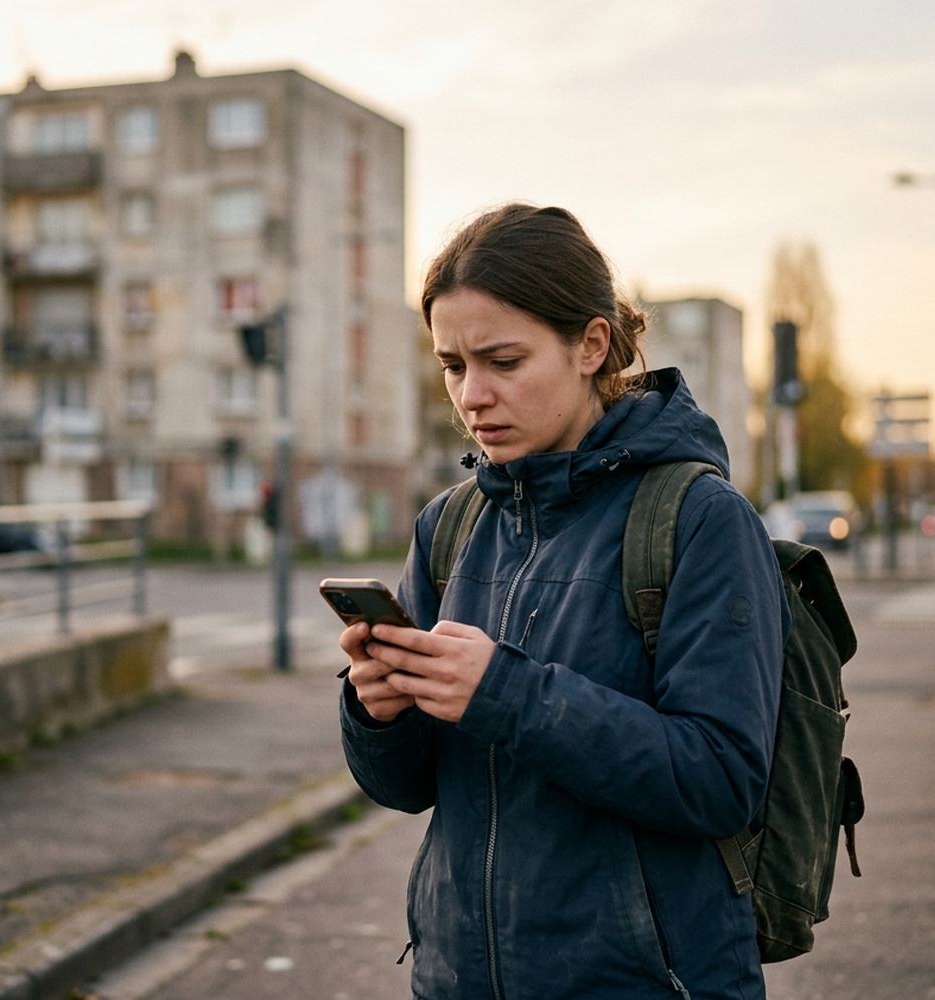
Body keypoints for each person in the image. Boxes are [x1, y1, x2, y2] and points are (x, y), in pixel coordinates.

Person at [338, 203, 789, 1000]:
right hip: (458, 982)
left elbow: (721, 780)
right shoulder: (448, 527)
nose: (472, 395)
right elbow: (407, 789)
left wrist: (503, 692)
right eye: (452, 365)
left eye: (503, 361)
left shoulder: (699, 520)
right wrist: (378, 713)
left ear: (592, 345)